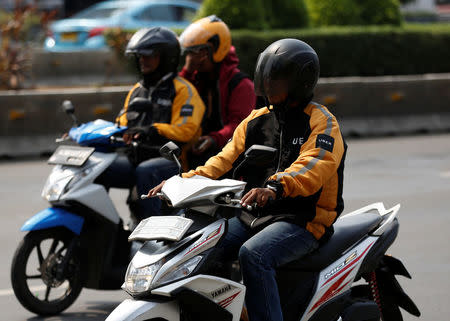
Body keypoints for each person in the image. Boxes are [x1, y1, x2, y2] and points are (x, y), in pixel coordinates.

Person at [148, 38, 347, 321]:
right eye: (265, 77)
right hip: (252, 216)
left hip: (302, 220)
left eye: (275, 79)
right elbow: (221, 161)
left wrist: (276, 186)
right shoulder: (256, 120)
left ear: (299, 82)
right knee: (199, 246)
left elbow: (315, 165)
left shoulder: (322, 122)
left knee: (254, 255)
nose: (268, 84)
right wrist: (179, 182)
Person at [97, 27, 205, 223]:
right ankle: (102, 231)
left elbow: (187, 130)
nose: (142, 60)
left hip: (174, 163)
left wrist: (153, 130)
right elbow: (121, 122)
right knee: (97, 166)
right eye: (140, 56)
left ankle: (152, 231)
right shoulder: (137, 90)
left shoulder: (183, 90)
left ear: (166, 58)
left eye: (149, 55)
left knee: (146, 171)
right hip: (136, 157)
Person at [178, 15, 256, 167]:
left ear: (212, 49)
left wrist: (214, 139)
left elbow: (240, 126)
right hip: (196, 150)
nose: (190, 58)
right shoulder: (197, 78)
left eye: (194, 52)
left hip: (228, 156)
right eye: (188, 53)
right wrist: (187, 71)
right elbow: (178, 94)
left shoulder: (241, 84)